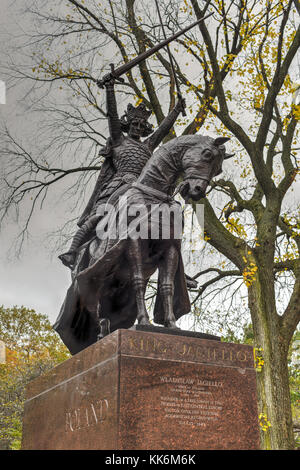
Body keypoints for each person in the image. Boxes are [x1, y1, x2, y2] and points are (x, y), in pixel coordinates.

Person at [59, 78, 186, 269]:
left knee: (167, 219)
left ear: (145, 129)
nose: (138, 127)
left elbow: (162, 130)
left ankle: (174, 266)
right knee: (99, 216)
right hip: (117, 185)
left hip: (141, 189)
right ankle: (72, 251)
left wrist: (176, 111)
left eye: (141, 126)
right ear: (128, 124)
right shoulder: (118, 140)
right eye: (134, 124)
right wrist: (110, 89)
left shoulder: (148, 146)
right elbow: (112, 116)